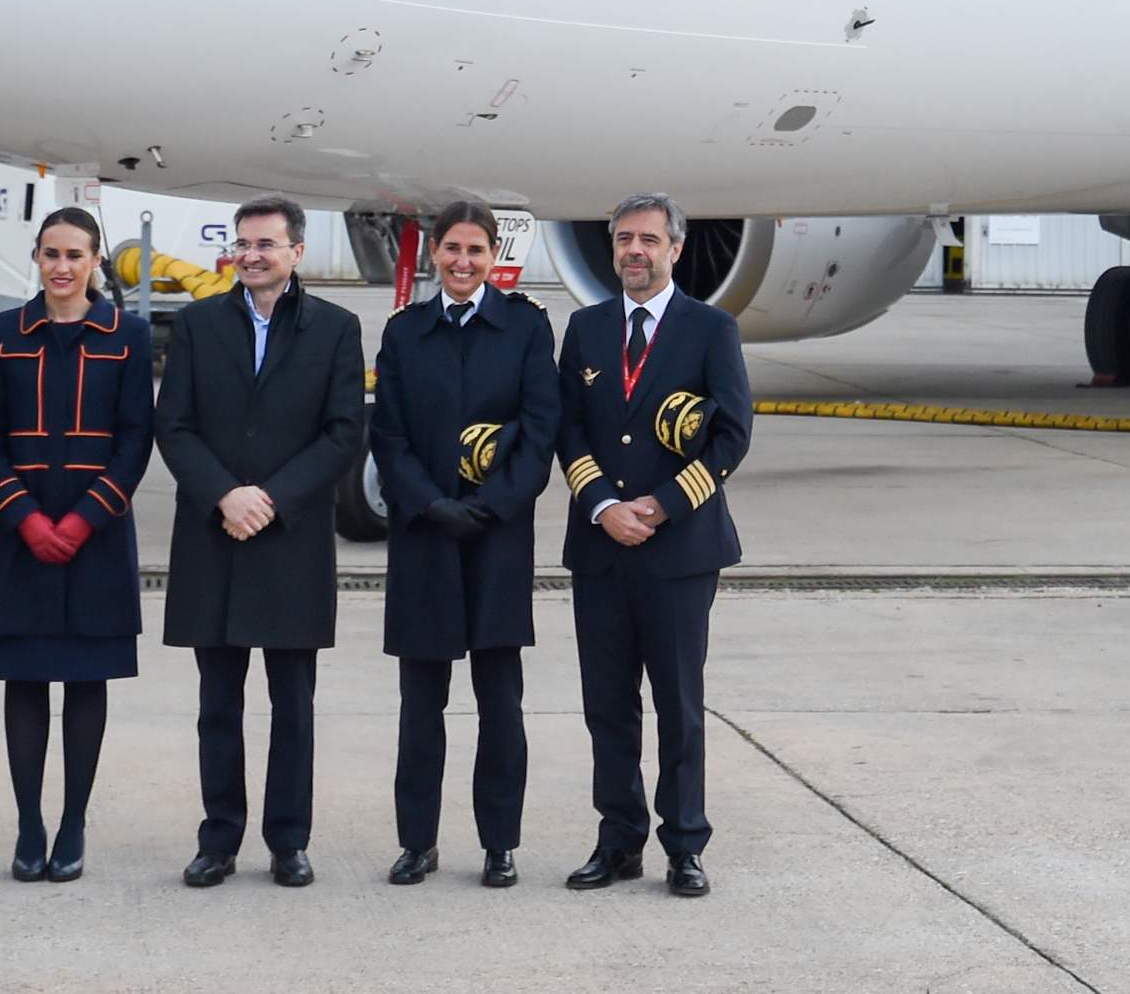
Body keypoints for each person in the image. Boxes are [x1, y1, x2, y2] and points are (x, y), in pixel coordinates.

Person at [156, 193, 365, 889]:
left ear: (296, 253)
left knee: (293, 706)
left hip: (290, 540)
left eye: (265, 244)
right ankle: (218, 839)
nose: (250, 254)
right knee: (218, 705)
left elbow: (343, 432)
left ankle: (288, 841)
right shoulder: (197, 325)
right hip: (214, 534)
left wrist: (270, 499)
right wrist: (225, 494)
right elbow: (174, 425)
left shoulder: (335, 329)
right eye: (242, 243)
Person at [554, 192, 751, 898]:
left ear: (675, 249)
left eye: (648, 240)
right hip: (602, 547)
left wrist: (662, 506)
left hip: (680, 551)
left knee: (679, 706)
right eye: (623, 239)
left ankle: (685, 845)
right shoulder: (586, 328)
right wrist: (602, 505)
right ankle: (618, 841)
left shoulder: (711, 329)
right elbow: (568, 428)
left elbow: (732, 434)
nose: (634, 251)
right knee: (607, 707)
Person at [368, 199, 559, 888]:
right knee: (420, 705)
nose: (462, 261)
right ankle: (417, 842)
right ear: (435, 253)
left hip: (496, 542)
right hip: (424, 539)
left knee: (500, 703)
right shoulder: (405, 332)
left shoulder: (526, 329)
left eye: (475, 250)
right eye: (452, 248)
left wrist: (489, 505)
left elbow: (539, 432)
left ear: (492, 257)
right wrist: (431, 505)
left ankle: (499, 843)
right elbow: (388, 436)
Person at [0, 206, 154, 884]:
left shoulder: (128, 336)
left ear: (96, 260)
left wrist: (82, 521)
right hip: (22, 537)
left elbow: (135, 439)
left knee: (85, 681)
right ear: (37, 258)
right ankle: (29, 824)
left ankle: (73, 822)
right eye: (51, 253)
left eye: (76, 255)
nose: (62, 266)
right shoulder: (1, 335)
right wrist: (23, 517)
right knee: (24, 680)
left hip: (95, 538)